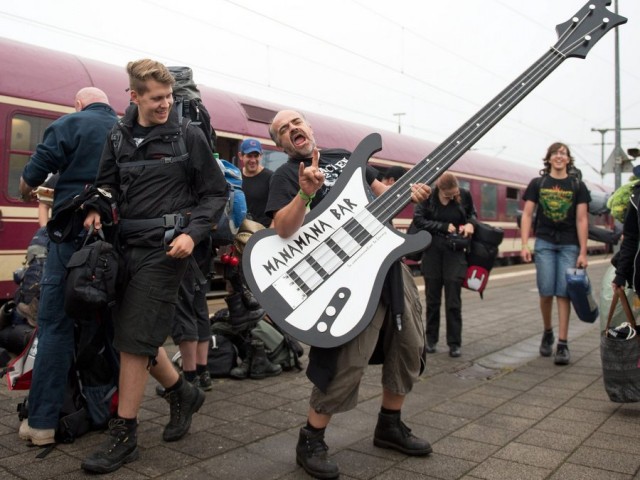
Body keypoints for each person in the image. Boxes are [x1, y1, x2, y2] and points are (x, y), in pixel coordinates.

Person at [266, 110, 432, 479]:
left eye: (297, 122)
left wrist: (412, 194)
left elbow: (382, 196)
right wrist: (304, 194)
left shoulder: (345, 158)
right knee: (347, 355)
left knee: (409, 343)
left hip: (386, 263)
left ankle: (390, 425)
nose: (293, 129)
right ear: (280, 143)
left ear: (309, 127)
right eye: (283, 129)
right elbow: (282, 228)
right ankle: (311, 438)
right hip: (344, 278)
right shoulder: (284, 176)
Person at [80, 59, 227, 474]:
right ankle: (183, 391)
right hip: (124, 246)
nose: (165, 105)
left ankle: (124, 433)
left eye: (169, 97)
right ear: (134, 96)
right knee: (135, 333)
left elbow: (214, 194)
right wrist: (96, 206)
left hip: (167, 251)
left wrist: (193, 234)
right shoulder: (118, 135)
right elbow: (106, 184)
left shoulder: (188, 134)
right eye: (157, 98)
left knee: (131, 342)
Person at [17, 87, 118, 446]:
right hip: (112, 242)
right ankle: (105, 408)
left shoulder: (70, 123)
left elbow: (32, 174)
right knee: (107, 324)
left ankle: (43, 422)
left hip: (70, 237)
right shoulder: (123, 130)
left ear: (79, 104)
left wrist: (28, 188)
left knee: (55, 324)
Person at [520, 142, 589, 366]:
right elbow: (528, 214)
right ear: (548, 159)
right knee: (546, 291)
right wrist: (524, 244)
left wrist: (583, 252)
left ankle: (562, 343)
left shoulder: (577, 185)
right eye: (555, 153)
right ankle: (548, 330)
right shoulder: (538, 183)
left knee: (564, 292)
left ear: (568, 160)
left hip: (569, 244)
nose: (559, 156)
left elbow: (582, 219)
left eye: (563, 153)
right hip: (544, 242)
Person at [412, 172, 476, 357]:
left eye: (455, 193)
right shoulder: (428, 197)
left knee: (454, 300)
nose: (453, 197)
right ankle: (431, 340)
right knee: (433, 300)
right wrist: (442, 226)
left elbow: (472, 214)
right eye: (449, 195)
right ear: (440, 189)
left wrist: (471, 224)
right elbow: (418, 220)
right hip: (432, 250)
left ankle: (454, 343)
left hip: (455, 252)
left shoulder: (464, 195)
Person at [240, 138, 273, 227]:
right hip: (240, 231)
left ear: (261, 156)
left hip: (261, 232)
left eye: (256, 156)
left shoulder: (271, 177)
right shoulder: (236, 176)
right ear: (241, 156)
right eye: (249, 156)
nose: (253, 160)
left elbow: (278, 208)